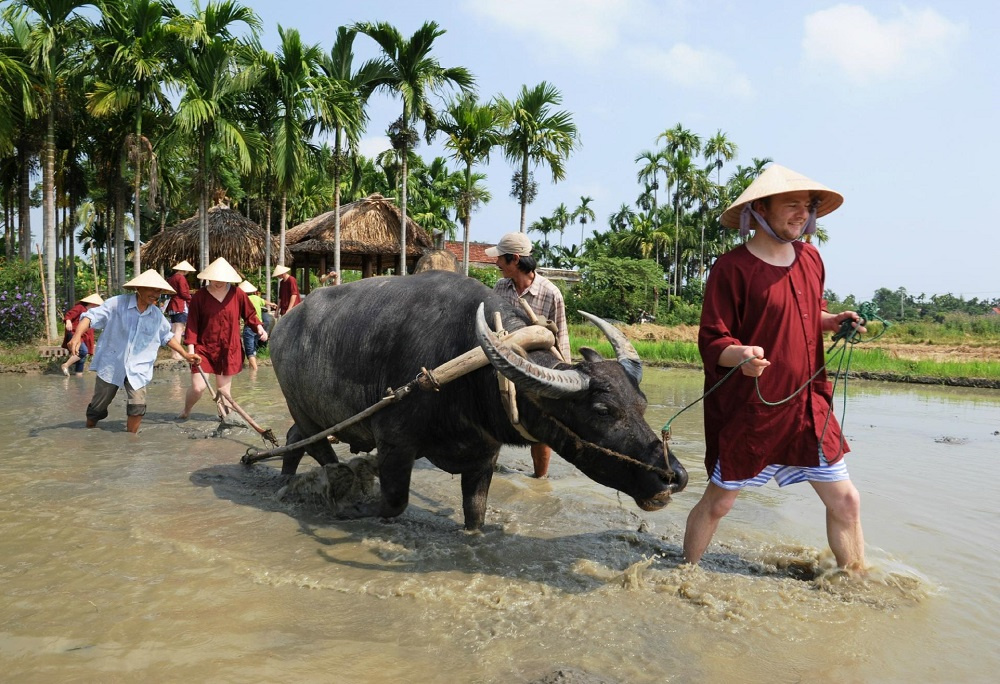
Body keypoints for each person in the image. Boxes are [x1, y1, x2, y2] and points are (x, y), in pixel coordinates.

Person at [682, 164, 867, 572]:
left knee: (846, 500)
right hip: (753, 409)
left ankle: (856, 581)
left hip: (808, 406)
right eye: (791, 205)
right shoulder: (731, 268)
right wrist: (742, 355)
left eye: (808, 206)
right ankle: (685, 573)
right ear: (761, 209)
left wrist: (834, 321)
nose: (803, 214)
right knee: (720, 502)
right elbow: (712, 341)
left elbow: (809, 313)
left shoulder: (811, 258)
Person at [67, 270, 201, 433]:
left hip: (138, 367)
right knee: (98, 407)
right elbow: (90, 317)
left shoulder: (156, 315)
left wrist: (185, 354)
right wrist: (77, 336)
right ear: (139, 288)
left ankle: (132, 439)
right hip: (112, 363)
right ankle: (89, 429)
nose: (155, 295)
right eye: (152, 290)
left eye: (159, 291)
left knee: (137, 406)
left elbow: (166, 336)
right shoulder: (116, 304)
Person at [487, 231, 571, 478]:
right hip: (503, 364)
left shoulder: (550, 293)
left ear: (515, 259)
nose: (496, 262)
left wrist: (564, 380)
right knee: (494, 419)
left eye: (500, 258)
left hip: (536, 370)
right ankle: (488, 469)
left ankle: (539, 480)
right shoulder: (500, 287)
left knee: (541, 430)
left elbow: (561, 337)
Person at [178, 258, 268, 419]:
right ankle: (186, 410)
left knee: (224, 391)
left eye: (222, 279)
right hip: (203, 348)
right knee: (198, 388)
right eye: (214, 279)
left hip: (228, 348)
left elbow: (250, 314)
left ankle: (226, 420)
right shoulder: (200, 296)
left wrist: (259, 328)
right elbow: (192, 324)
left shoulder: (237, 294)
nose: (218, 282)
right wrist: (190, 350)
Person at [60, 293, 103, 376]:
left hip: (84, 337)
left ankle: (79, 375)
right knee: (83, 351)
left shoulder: (93, 313)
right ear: (93, 303)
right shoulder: (80, 307)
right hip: (75, 333)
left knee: (82, 357)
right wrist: (68, 321)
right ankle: (65, 365)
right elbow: (69, 315)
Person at [237, 280, 272, 371]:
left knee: (249, 351)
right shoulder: (257, 298)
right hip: (259, 327)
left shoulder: (241, 299)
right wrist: (272, 304)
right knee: (254, 348)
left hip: (249, 326)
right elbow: (264, 302)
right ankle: (252, 369)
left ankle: (255, 372)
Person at [165, 260, 195, 360]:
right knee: (179, 329)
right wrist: (191, 299)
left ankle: (174, 353)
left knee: (174, 330)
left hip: (173, 304)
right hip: (179, 305)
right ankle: (176, 354)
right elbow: (183, 293)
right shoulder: (181, 278)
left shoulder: (172, 278)